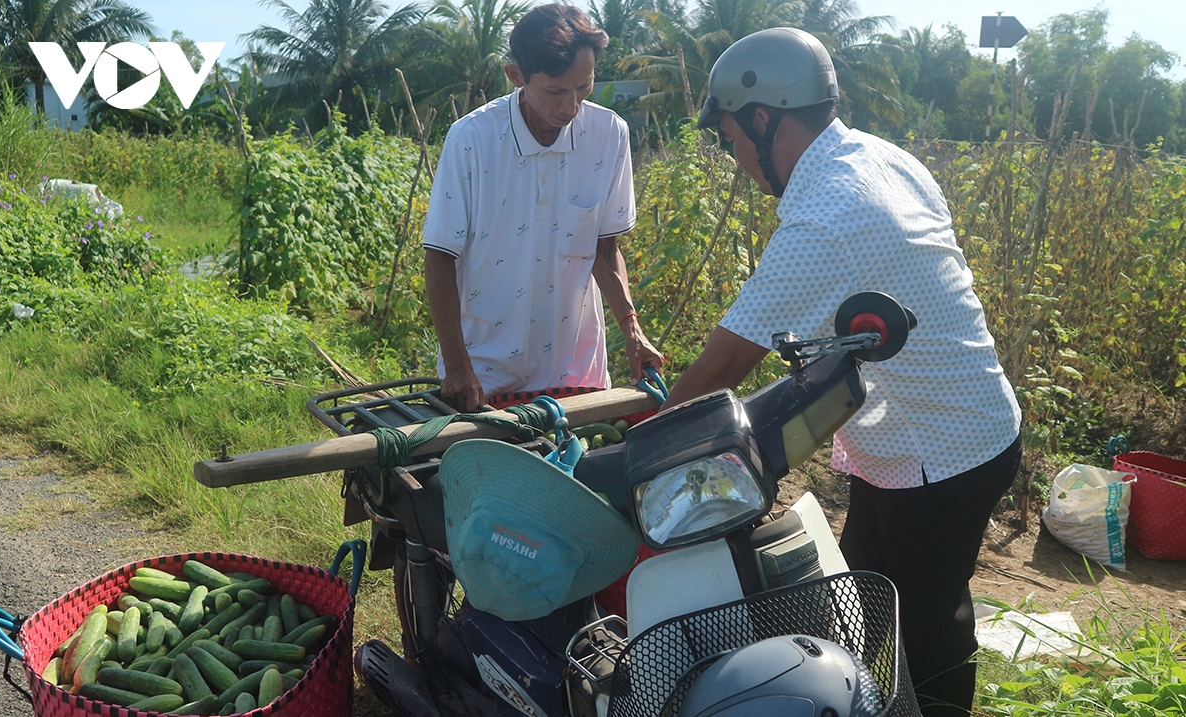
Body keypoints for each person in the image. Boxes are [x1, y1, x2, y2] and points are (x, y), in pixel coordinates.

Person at [662, 28, 1023, 717]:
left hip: (945, 449)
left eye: (734, 138)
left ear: (765, 118)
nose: (736, 158)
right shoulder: (878, 159)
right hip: (921, 436)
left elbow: (723, 367)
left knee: (926, 623)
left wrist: (637, 455)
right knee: (859, 596)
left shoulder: (830, 213)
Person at [422, 4, 663, 413]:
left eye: (583, 87)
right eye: (555, 91)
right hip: (485, 375)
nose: (571, 106)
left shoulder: (608, 135)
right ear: (515, 76)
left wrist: (632, 330)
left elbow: (604, 251)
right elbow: (439, 257)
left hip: (576, 376)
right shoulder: (472, 140)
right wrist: (459, 366)